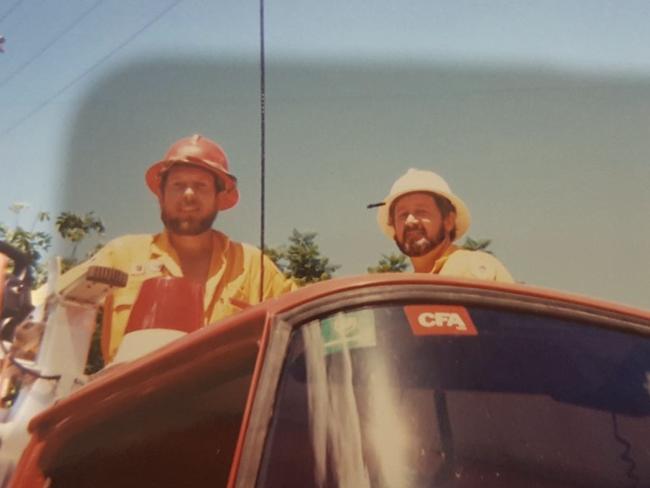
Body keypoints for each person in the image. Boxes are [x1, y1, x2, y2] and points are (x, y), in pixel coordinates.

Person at [61, 134, 295, 361]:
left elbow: (307, 318)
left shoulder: (253, 264)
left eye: (201, 186)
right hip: (133, 398)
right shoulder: (122, 254)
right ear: (160, 195)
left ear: (219, 197)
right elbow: (53, 303)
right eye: (178, 185)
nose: (189, 195)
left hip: (231, 399)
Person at [376, 168, 514, 282]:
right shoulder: (403, 290)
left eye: (421, 211)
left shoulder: (473, 268)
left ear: (448, 221)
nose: (410, 221)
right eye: (402, 214)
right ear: (393, 227)